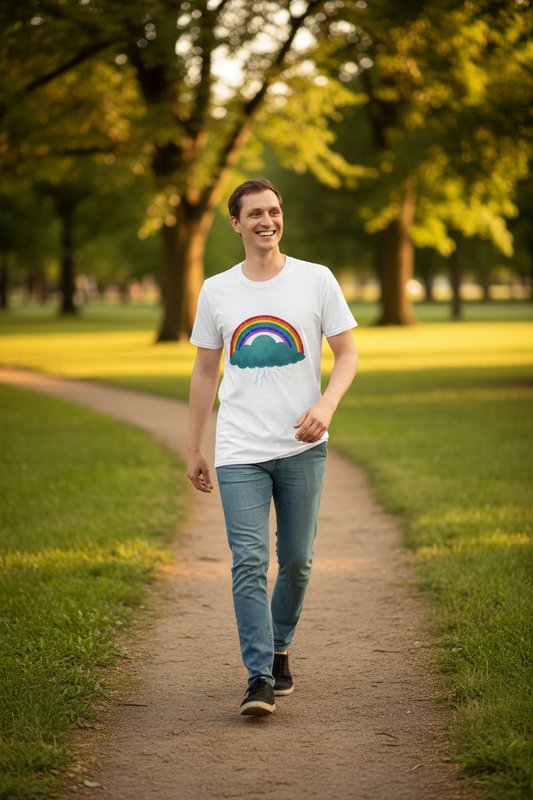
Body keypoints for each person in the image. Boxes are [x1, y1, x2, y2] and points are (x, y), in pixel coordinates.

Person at [187, 177, 358, 716]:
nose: (267, 221)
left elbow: (347, 355)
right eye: (255, 213)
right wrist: (195, 445)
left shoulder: (317, 280)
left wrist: (326, 405)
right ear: (235, 223)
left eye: (274, 211)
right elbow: (204, 369)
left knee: (299, 561)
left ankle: (280, 644)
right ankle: (259, 675)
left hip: (303, 446)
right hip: (239, 448)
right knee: (249, 560)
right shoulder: (217, 290)